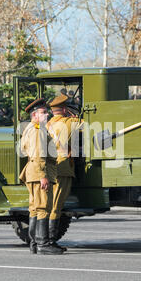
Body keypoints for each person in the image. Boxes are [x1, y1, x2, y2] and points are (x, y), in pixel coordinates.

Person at [19, 98, 61, 255]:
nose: (47, 115)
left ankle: (35, 243)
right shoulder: (37, 131)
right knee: (43, 207)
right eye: (43, 113)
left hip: (33, 173)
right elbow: (38, 155)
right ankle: (43, 244)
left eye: (46, 112)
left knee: (35, 209)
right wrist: (43, 176)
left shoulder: (32, 129)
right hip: (38, 173)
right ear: (34, 116)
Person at [46, 94, 84, 251]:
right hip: (63, 168)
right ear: (64, 109)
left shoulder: (48, 124)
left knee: (48, 204)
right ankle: (49, 240)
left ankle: (43, 239)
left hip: (50, 167)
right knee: (56, 205)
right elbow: (87, 125)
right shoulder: (70, 122)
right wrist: (73, 115)